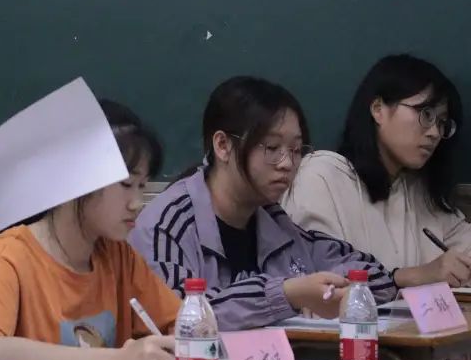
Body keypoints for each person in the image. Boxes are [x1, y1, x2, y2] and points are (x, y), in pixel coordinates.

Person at [130, 76, 399, 331]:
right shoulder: (168, 225)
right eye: (272, 148)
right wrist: (287, 295)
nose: (287, 164)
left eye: (296, 150)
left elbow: (377, 276)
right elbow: (176, 316)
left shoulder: (275, 222)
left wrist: (336, 292)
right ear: (223, 145)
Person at [0, 100, 180, 360]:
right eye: (126, 185)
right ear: (78, 178)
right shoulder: (7, 256)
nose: (137, 203)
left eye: (142, 186)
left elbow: (182, 325)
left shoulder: (119, 257)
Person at [284, 54, 471, 286]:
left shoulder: (419, 190)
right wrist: (418, 274)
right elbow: (321, 280)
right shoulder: (322, 175)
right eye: (426, 114)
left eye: (442, 123)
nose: (434, 133)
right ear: (378, 109)